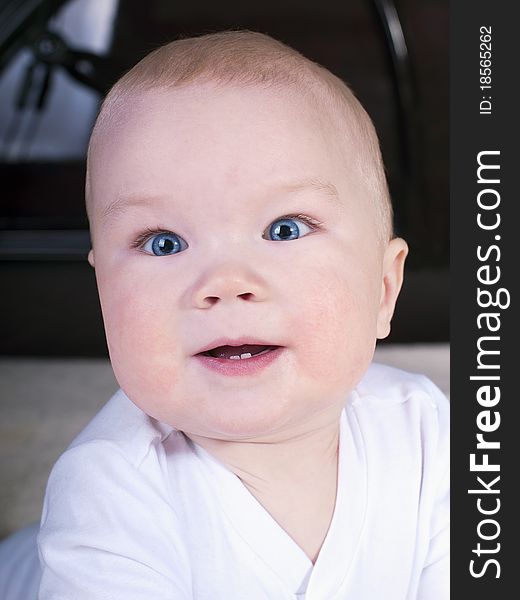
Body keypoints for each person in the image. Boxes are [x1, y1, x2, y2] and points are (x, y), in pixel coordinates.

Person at [5, 30, 449, 599]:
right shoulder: (110, 489)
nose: (225, 284)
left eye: (284, 229)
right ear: (103, 293)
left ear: (384, 288)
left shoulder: (424, 430)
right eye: (163, 242)